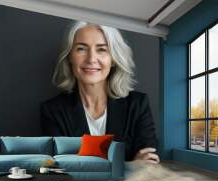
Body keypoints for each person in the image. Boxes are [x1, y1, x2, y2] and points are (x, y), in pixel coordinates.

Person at [40, 21, 160, 163]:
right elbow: (62, 166)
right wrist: (131, 165)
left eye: (102, 50)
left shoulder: (138, 105)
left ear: (113, 59)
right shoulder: (52, 111)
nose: (91, 59)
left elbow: (149, 161)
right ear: (70, 57)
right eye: (81, 49)